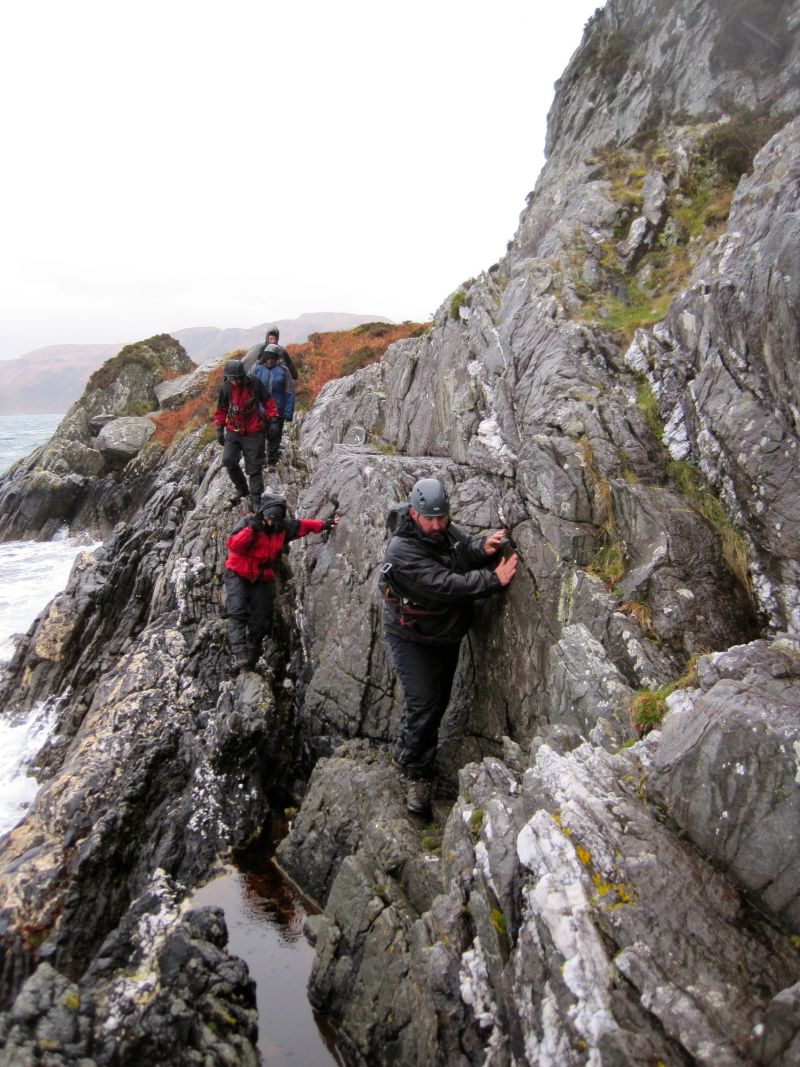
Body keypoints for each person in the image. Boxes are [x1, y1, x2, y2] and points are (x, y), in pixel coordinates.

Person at [379, 477, 517, 815]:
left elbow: (458, 552)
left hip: (443, 632)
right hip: (412, 637)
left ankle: (406, 750)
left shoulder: (443, 531)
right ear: (414, 514)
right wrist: (492, 580)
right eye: (431, 519)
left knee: (436, 704)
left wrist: (481, 547)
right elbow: (444, 584)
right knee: (425, 705)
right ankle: (417, 774)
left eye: (443, 517)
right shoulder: (402, 552)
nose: (439, 525)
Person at [224, 492, 339, 672]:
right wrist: (251, 531)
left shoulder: (282, 528)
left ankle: (250, 658)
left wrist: (325, 524)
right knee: (237, 610)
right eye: (269, 518)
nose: (271, 522)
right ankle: (239, 651)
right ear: (263, 514)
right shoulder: (249, 523)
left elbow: (303, 526)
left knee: (261, 619)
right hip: (238, 572)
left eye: (275, 519)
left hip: (261, 576)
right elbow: (233, 545)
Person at [214, 359, 269, 510]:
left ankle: (257, 499)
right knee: (228, 460)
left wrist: (274, 419)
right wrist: (219, 427)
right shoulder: (226, 388)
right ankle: (242, 488)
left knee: (254, 467)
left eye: (235, 378)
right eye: (230, 378)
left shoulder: (254, 383)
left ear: (241, 376)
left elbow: (268, 401)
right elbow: (221, 409)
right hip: (234, 430)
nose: (232, 382)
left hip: (253, 431)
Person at [253, 345, 293, 467]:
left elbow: (289, 392)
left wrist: (288, 413)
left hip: (278, 411)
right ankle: (260, 460)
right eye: (268, 357)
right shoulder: (257, 369)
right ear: (265, 357)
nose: (270, 360)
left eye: (273, 358)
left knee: (274, 435)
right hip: (260, 410)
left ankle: (271, 461)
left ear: (276, 358)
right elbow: (249, 388)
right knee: (259, 436)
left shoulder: (284, 372)